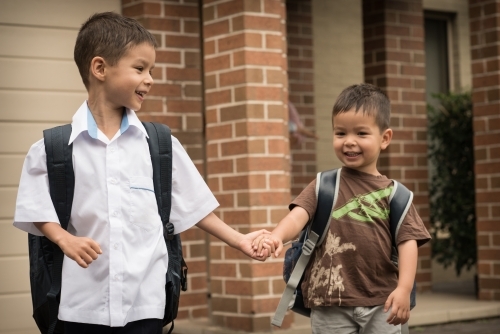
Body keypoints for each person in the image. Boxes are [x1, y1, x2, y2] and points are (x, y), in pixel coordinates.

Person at [13, 12, 270, 333]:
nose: (150, 78)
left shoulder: (161, 145)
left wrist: (239, 240)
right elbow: (36, 208)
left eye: (152, 70)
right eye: (140, 69)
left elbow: (194, 206)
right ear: (100, 68)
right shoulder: (52, 149)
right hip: (81, 305)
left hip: (146, 303)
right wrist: (64, 239)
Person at [254, 84, 431, 334]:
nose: (349, 142)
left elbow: (408, 243)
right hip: (329, 300)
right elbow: (296, 218)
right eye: (340, 133)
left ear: (385, 138)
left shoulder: (396, 195)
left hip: (383, 300)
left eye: (361, 133)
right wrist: (276, 236)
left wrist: (403, 289)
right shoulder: (324, 185)